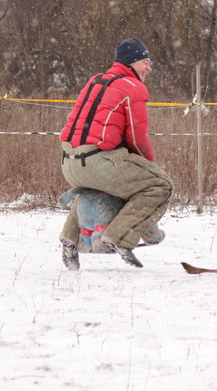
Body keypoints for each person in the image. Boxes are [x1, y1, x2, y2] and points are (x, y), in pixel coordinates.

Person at [59, 38, 173, 270]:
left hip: (69, 161)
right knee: (161, 185)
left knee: (92, 186)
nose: (149, 68)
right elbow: (137, 137)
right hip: (99, 160)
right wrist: (147, 165)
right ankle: (120, 237)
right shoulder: (133, 87)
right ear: (131, 63)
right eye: (145, 62)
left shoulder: (95, 80)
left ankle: (69, 239)